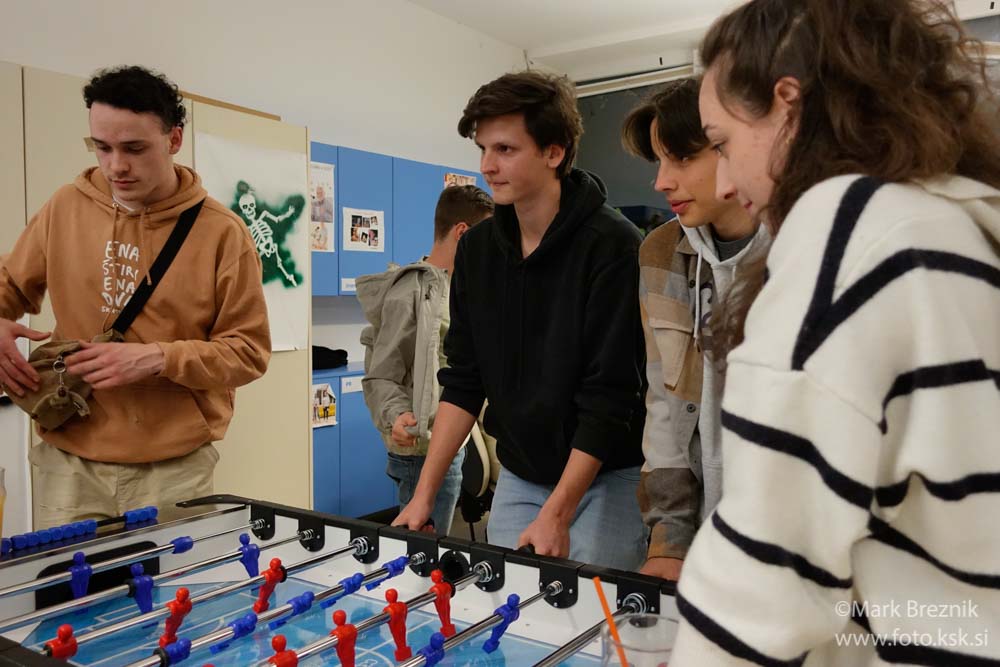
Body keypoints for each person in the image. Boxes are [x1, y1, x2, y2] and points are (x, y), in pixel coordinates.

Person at [671, 1, 1000, 663]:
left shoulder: (849, 227)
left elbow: (761, 579)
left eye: (722, 144)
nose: (725, 182)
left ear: (788, 105)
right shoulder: (951, 221)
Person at [392, 70, 648, 571]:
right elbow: (464, 380)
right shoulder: (476, 250)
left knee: (592, 612)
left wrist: (558, 513)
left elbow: (611, 398)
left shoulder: (614, 246)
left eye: (505, 149)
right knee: (511, 606)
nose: (487, 166)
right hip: (521, 476)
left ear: (554, 152)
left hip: (606, 475)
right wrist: (424, 495)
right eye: (483, 149)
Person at [0, 65, 270, 528]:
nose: (116, 166)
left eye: (134, 148)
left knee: (174, 580)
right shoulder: (65, 206)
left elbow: (248, 353)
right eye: (102, 147)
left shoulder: (223, 233)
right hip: (70, 459)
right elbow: (9, 285)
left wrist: (157, 358)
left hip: (175, 467)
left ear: (174, 139)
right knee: (65, 578)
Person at [621, 78, 768, 581]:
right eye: (659, 162)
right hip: (701, 535)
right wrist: (669, 538)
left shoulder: (803, 244)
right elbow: (664, 405)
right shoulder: (660, 252)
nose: (661, 182)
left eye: (681, 158)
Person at [357, 185, 494, 534]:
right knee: (422, 551)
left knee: (437, 544)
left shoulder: (459, 289)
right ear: (462, 233)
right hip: (420, 453)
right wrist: (395, 415)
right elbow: (381, 374)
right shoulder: (411, 292)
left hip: (449, 445)